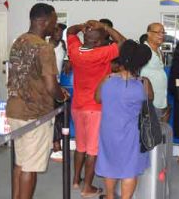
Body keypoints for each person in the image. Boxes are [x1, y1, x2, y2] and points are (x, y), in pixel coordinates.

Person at [6, 3, 68, 199]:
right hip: (35, 114)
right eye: (54, 22)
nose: (55, 26)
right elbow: (51, 86)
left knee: (20, 162)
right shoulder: (44, 48)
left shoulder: (19, 41)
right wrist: (62, 96)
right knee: (30, 168)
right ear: (45, 22)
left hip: (15, 110)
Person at [67, 20, 126, 197]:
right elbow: (124, 43)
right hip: (96, 108)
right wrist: (106, 28)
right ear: (97, 42)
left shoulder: (75, 50)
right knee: (92, 150)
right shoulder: (101, 53)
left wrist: (82, 26)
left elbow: (70, 31)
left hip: (77, 106)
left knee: (80, 146)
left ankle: (76, 181)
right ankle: (87, 187)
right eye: (103, 38)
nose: (105, 40)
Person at [95, 40, 153, 199]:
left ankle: (110, 196)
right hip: (131, 133)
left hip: (109, 131)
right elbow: (150, 99)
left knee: (110, 164)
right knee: (129, 168)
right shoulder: (143, 83)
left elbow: (97, 98)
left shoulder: (107, 79)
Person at [48, 23, 70, 162]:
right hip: (45, 85)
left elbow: (66, 57)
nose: (59, 33)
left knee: (59, 115)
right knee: (49, 116)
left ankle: (56, 146)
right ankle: (55, 147)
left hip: (57, 83)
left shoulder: (62, 44)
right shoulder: (44, 45)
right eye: (56, 30)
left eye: (61, 31)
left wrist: (68, 61)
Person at [140, 22, 170, 122]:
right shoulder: (143, 50)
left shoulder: (159, 51)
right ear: (148, 33)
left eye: (163, 32)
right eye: (158, 32)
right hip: (148, 101)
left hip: (160, 100)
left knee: (157, 132)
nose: (161, 35)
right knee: (148, 133)